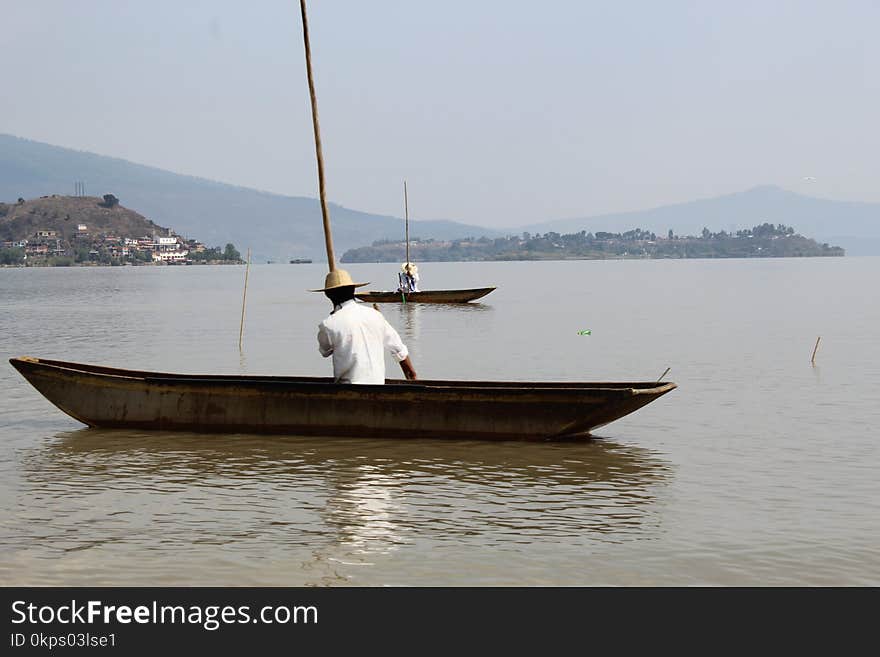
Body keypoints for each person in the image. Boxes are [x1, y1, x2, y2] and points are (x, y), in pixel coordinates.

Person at [312, 269, 417, 384]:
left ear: (328, 295)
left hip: (347, 390)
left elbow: (325, 351)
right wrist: (412, 376)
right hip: (378, 385)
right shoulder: (376, 316)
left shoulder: (328, 324)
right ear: (353, 290)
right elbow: (399, 350)